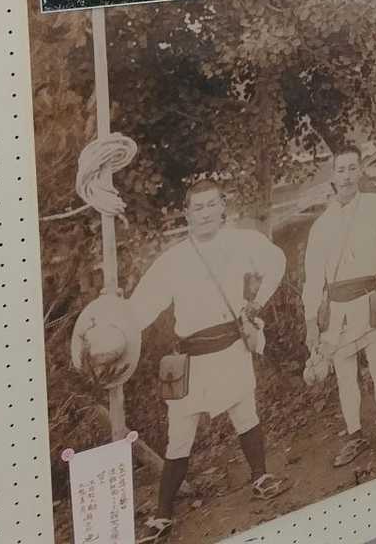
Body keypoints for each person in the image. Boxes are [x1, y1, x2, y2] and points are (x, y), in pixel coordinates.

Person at [127, 173, 290, 542]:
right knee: (179, 436)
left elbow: (276, 262)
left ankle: (261, 477)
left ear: (222, 208)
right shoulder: (172, 261)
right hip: (191, 359)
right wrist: (117, 329)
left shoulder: (243, 242)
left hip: (232, 346)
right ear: (186, 214)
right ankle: (162, 514)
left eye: (211, 205)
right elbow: (141, 309)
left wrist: (256, 304)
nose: (205, 213)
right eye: (197, 208)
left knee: (245, 413)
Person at [302, 146, 376, 467]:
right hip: (337, 309)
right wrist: (310, 320)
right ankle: (354, 435)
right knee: (345, 374)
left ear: (361, 171)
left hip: (370, 301)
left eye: (353, 168)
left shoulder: (374, 206)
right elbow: (313, 277)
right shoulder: (321, 225)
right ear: (333, 175)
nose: (347, 176)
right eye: (341, 170)